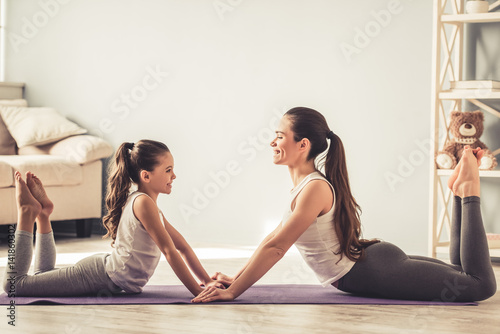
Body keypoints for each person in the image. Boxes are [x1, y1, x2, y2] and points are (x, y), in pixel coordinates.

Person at [192, 107, 497, 303]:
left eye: (279, 136)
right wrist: (237, 277)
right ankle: (460, 193)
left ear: (303, 145)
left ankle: (468, 191)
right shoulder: (307, 186)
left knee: (479, 286)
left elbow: (277, 248)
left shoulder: (313, 188)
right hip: (373, 261)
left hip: (371, 271)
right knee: (461, 271)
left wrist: (234, 291)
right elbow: (271, 239)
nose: (273, 142)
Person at [3, 139, 222, 297]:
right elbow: (169, 251)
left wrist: (206, 281)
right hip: (98, 276)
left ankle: (43, 215)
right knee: (15, 285)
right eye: (168, 170)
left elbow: (181, 246)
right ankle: (26, 213)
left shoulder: (150, 206)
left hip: (103, 273)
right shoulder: (143, 203)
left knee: (43, 275)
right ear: (146, 176)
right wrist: (197, 291)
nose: (173, 176)